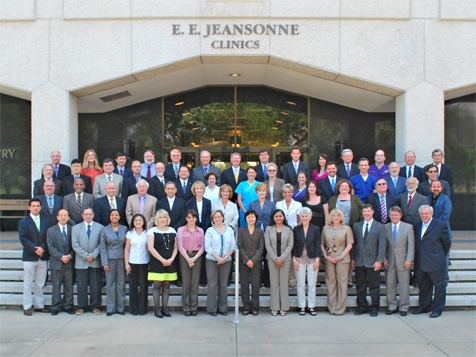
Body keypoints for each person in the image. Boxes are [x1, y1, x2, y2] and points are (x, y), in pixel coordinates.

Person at [412, 205, 451, 318]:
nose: (424, 216)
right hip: (421, 262)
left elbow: (446, 244)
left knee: (439, 287)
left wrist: (438, 256)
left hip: (435, 262)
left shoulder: (440, 225)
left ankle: (437, 309)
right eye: (422, 214)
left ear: (431, 214)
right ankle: (424, 307)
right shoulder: (417, 226)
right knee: (424, 287)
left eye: (426, 213)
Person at [326, 179, 364, 288]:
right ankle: (339, 276)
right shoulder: (333, 200)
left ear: (349, 188)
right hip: (336, 230)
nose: (344, 188)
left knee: (350, 252)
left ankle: (349, 277)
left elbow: (361, 214)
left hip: (351, 228)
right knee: (339, 249)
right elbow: (329, 214)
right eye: (342, 186)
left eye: (346, 186)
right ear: (338, 188)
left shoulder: (356, 199)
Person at [352, 204, 386, 317]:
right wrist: (353, 258)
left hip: (373, 261)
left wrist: (379, 260)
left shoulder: (380, 227)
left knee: (374, 286)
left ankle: (374, 307)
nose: (366, 213)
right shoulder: (356, 226)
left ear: (373, 212)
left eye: (368, 211)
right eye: (364, 211)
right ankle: (362, 306)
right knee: (360, 285)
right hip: (359, 260)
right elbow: (354, 243)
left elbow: (382, 245)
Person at [19, 198, 50, 316]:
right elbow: (23, 238)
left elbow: (49, 237)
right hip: (29, 257)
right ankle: (27, 306)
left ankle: (39, 305)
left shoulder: (46, 221)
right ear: (29, 208)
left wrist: (42, 248)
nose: (36, 208)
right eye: (33, 206)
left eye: (38, 205)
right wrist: (35, 249)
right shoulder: (23, 222)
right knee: (27, 283)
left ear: (41, 207)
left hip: (43, 256)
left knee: (40, 283)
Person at [321, 208, 353, 315]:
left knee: (342, 282)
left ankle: (340, 308)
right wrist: (325, 256)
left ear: (341, 217)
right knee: (330, 282)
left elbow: (349, 244)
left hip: (342, 257)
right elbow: (322, 243)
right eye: (334, 215)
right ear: (331, 217)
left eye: (338, 215)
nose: (336, 218)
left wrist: (341, 256)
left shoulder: (347, 228)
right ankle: (332, 307)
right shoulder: (325, 228)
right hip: (329, 257)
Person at [71, 207, 104, 315]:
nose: (88, 216)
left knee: (95, 285)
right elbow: (75, 244)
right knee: (81, 285)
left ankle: (95, 306)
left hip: (95, 261)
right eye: (86, 214)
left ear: (93, 215)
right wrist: (86, 255)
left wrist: (93, 255)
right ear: (82, 215)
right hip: (81, 261)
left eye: (90, 214)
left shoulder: (100, 227)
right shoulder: (75, 228)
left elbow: (101, 244)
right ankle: (82, 307)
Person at [384, 206, 415, 316]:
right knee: (390, 284)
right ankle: (391, 306)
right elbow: (383, 245)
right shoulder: (385, 227)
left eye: (396, 215)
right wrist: (383, 258)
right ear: (389, 216)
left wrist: (409, 259)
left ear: (400, 215)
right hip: (389, 261)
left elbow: (411, 245)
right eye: (392, 215)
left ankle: (404, 307)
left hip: (403, 261)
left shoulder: (408, 227)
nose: (394, 217)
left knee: (404, 284)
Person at [205, 209, 236, 316]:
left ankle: (223, 308)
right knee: (212, 284)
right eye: (215, 217)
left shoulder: (230, 230)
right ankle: (212, 309)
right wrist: (218, 258)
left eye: (219, 216)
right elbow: (207, 246)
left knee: (223, 284)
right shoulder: (209, 231)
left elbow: (233, 245)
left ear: (223, 217)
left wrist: (225, 257)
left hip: (226, 261)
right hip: (212, 260)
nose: (217, 219)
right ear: (212, 220)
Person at [148, 210, 178, 318]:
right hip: (157, 262)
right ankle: (157, 309)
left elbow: (175, 248)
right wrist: (162, 260)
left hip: (170, 262)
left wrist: (171, 259)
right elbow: (150, 248)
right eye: (160, 218)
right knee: (157, 286)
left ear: (167, 219)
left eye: (164, 217)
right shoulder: (152, 231)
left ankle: (165, 308)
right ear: (157, 219)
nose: (162, 220)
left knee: (166, 285)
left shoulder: (173, 230)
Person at [292, 207, 322, 316]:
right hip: (299, 258)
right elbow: (294, 245)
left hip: (312, 258)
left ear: (310, 217)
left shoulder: (315, 229)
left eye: (306, 216)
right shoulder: (296, 229)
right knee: (300, 284)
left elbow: (318, 244)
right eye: (302, 216)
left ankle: (311, 306)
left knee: (311, 284)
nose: (304, 218)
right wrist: (294, 259)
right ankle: (302, 306)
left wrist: (318, 259)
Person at [265, 209, 294, 316]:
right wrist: (275, 258)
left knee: (283, 283)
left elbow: (290, 245)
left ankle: (284, 307)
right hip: (272, 259)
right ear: (273, 217)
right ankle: (274, 307)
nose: (278, 218)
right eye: (276, 216)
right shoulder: (268, 229)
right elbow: (267, 245)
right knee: (274, 282)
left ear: (284, 217)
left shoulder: (289, 229)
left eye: (280, 216)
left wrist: (281, 258)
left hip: (285, 260)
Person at [100, 209, 128, 316]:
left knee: (121, 283)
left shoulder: (124, 229)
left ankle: (121, 308)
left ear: (120, 217)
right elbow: (102, 247)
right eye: (112, 215)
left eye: (116, 215)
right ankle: (110, 308)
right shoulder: (104, 229)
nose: (114, 217)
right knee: (110, 284)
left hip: (121, 259)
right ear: (109, 217)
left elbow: (127, 246)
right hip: (109, 259)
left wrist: (127, 262)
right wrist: (104, 263)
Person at [177, 210, 205, 316]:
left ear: (196, 219)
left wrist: (194, 258)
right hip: (184, 256)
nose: (191, 219)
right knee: (186, 282)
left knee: (195, 282)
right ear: (186, 218)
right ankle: (186, 307)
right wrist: (188, 259)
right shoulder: (181, 230)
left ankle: (194, 306)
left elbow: (203, 246)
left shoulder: (201, 231)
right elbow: (180, 245)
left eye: (193, 217)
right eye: (189, 217)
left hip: (197, 256)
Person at [47, 209, 75, 315]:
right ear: (57, 217)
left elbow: (75, 245)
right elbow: (51, 246)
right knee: (56, 286)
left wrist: (70, 256)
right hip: (56, 263)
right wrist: (61, 256)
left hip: (69, 263)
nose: (63, 217)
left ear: (68, 218)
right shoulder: (51, 230)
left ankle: (68, 306)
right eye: (61, 215)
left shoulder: (72, 229)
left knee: (69, 286)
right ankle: (56, 306)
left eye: (65, 215)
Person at [237, 210, 264, 316]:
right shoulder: (241, 231)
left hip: (256, 262)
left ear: (256, 219)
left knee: (255, 284)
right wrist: (247, 259)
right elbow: (240, 245)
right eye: (248, 217)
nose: (251, 219)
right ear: (245, 219)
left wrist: (253, 260)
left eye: (253, 217)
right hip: (244, 261)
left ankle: (255, 307)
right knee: (244, 284)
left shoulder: (260, 231)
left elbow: (261, 247)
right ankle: (246, 307)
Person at [124, 214, 150, 316]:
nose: (138, 222)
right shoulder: (130, 233)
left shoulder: (148, 233)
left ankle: (143, 309)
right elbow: (126, 249)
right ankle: (133, 309)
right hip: (133, 262)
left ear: (143, 221)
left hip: (144, 262)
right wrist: (126, 264)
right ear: (133, 222)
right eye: (136, 221)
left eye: (140, 220)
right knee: (133, 286)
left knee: (144, 286)